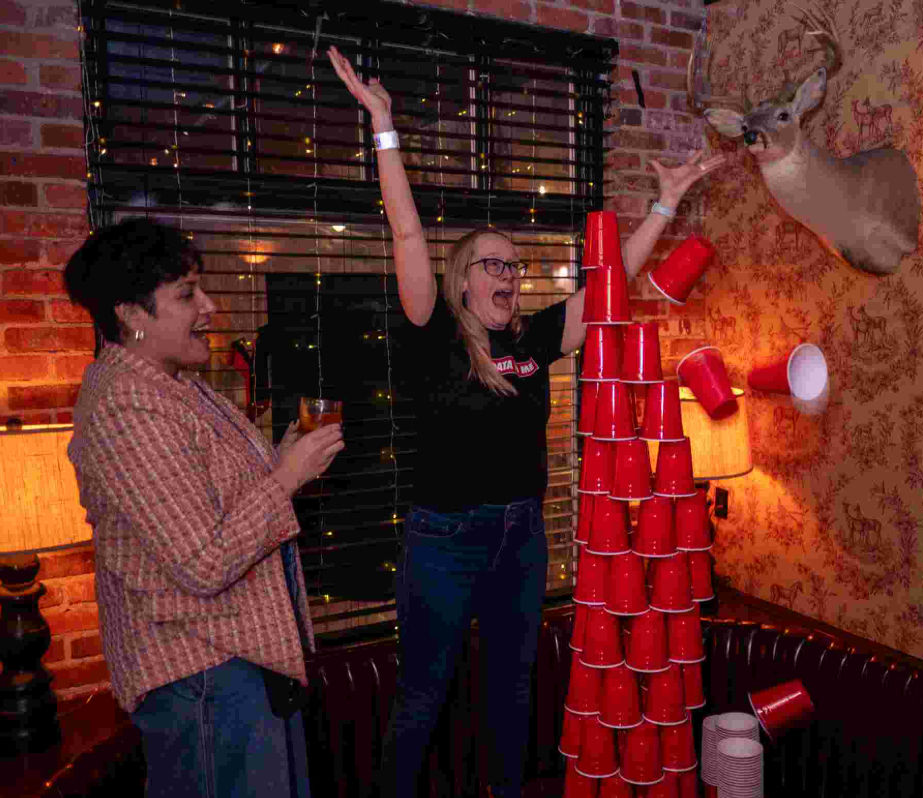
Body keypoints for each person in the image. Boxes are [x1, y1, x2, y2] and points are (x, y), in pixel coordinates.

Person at [328, 47, 728, 798]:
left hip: (520, 537)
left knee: (511, 690)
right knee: (423, 693)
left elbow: (612, 285)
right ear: (461, 280)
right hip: (444, 540)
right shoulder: (432, 336)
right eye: (491, 264)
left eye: (513, 265)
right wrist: (383, 127)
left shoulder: (532, 340)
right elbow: (408, 233)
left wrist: (667, 204)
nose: (507, 276)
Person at [64, 219, 345, 798]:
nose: (211, 307)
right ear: (131, 315)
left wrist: (280, 459)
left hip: (236, 664)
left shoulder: (174, 384)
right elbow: (202, 560)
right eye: (188, 294)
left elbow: (210, 500)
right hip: (203, 677)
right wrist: (287, 478)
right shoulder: (126, 408)